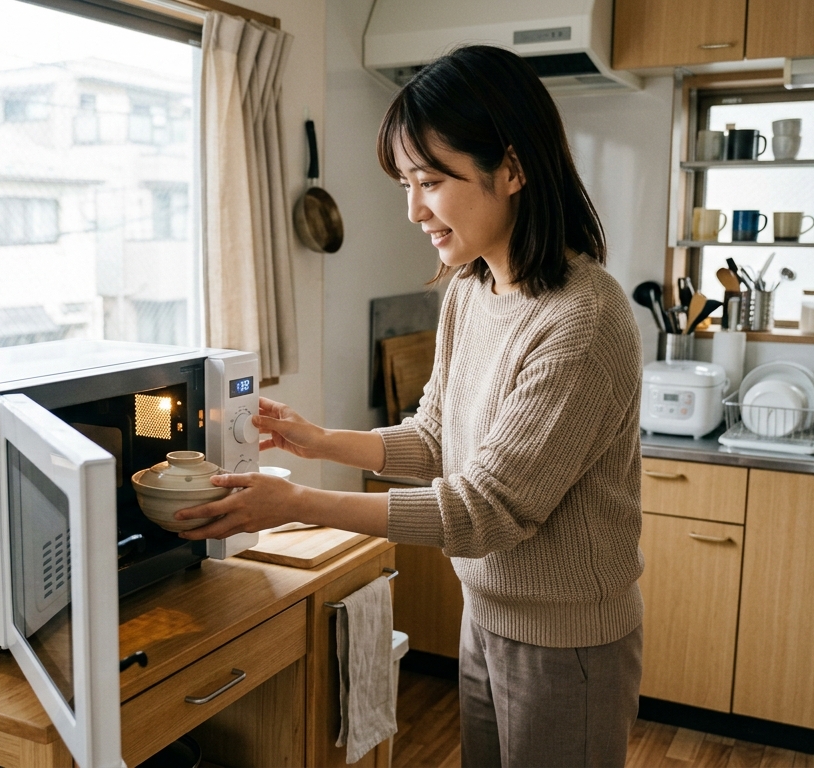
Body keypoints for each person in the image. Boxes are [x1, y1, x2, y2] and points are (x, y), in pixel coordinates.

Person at [175, 44, 643, 768]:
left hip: (568, 642)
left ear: (512, 170)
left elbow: (486, 510)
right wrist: (321, 439)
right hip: (487, 617)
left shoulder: (582, 319)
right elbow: (435, 436)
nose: (413, 208)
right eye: (406, 182)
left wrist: (298, 502)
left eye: (430, 180)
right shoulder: (471, 289)